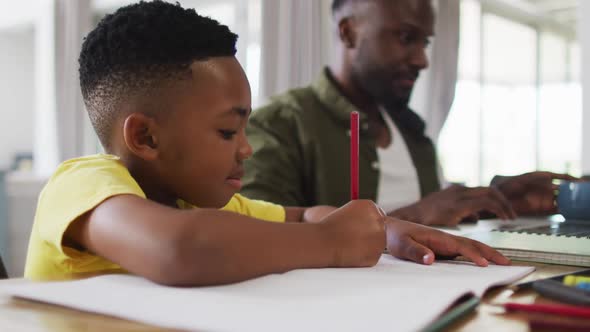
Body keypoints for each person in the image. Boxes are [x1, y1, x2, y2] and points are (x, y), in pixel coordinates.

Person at [24, 1, 509, 287]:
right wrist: (332, 244)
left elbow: (302, 215)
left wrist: (384, 228)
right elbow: (178, 249)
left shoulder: (201, 203)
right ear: (146, 137)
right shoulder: (85, 184)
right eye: (226, 132)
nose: (246, 149)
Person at [242, 0, 575, 226]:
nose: (422, 60)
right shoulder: (279, 125)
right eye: (406, 38)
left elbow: (438, 217)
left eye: (425, 43)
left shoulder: (411, 131)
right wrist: (416, 217)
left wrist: (492, 201)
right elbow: (251, 237)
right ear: (348, 32)